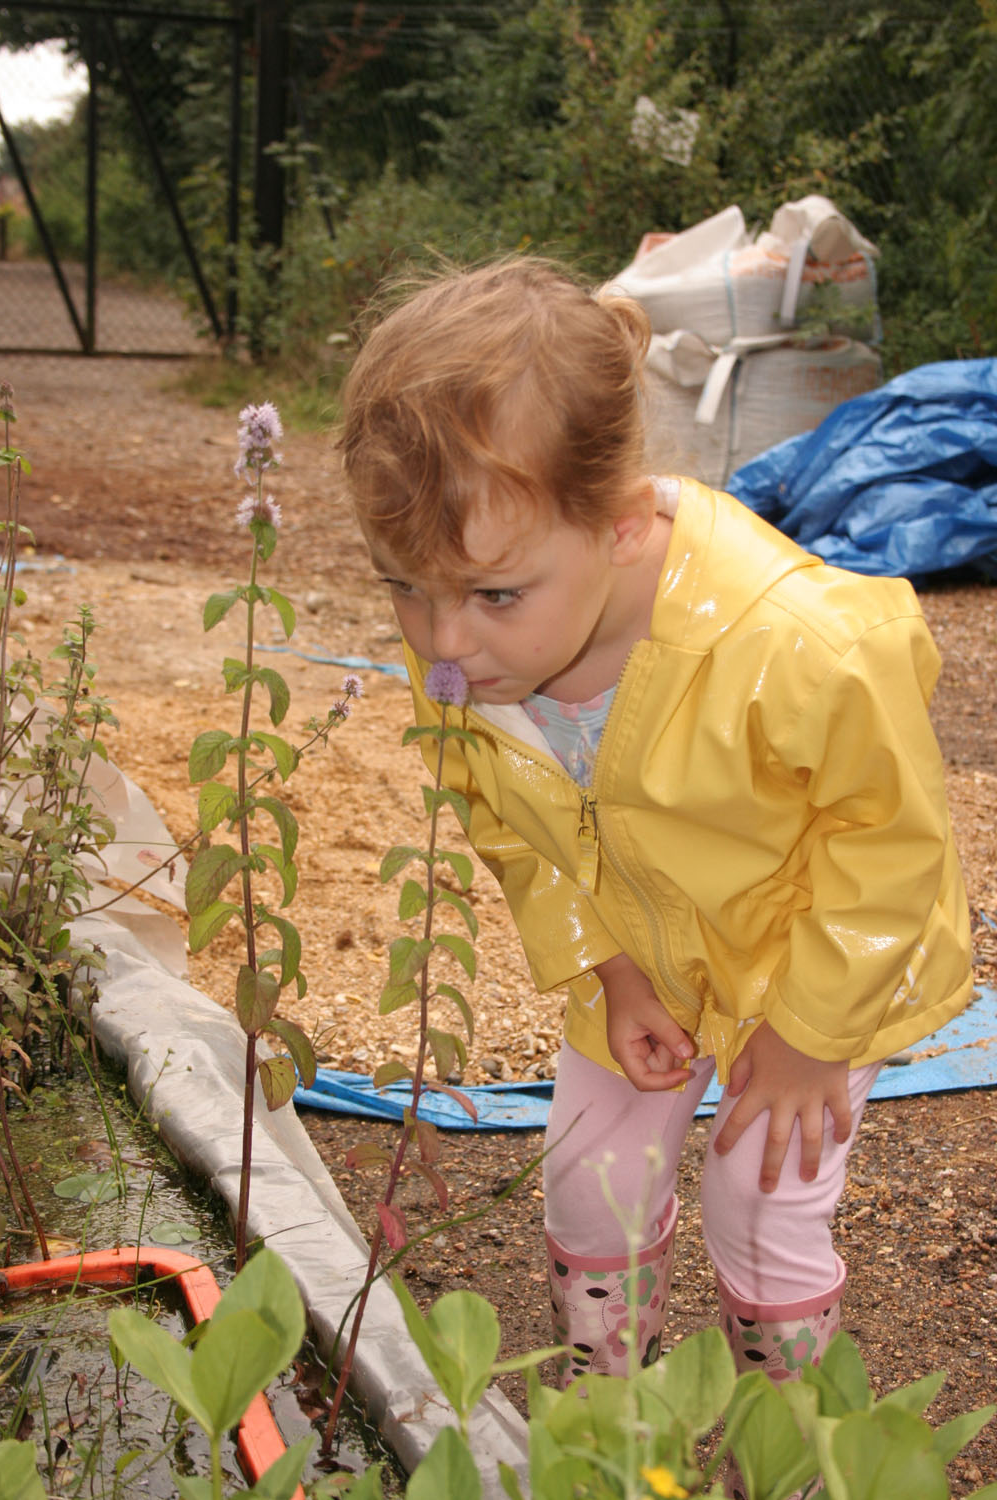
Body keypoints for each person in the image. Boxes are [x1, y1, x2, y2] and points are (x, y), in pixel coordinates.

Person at [339, 257, 973, 1435]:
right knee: (588, 1173)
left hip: (809, 955)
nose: (441, 640)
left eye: (489, 594)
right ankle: (610, 1432)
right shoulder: (468, 662)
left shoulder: (794, 645)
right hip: (644, 949)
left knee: (760, 1192)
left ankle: (791, 1445)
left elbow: (890, 851)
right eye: (405, 590)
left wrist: (803, 1041)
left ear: (622, 526)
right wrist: (611, 966)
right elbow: (515, 838)